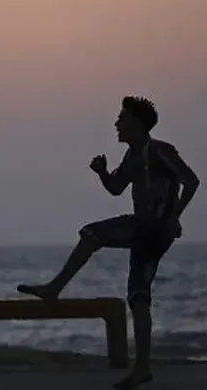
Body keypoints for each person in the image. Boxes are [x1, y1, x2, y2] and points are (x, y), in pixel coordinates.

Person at [17, 96, 198, 390]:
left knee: (96, 238)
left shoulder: (160, 151)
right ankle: (141, 367)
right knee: (137, 294)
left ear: (137, 123)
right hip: (141, 227)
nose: (117, 124)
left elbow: (191, 181)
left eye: (122, 119)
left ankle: (54, 289)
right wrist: (102, 172)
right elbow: (116, 188)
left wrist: (174, 217)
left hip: (153, 229)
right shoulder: (131, 157)